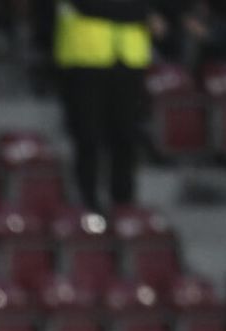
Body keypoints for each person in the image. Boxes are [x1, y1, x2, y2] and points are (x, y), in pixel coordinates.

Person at [53, 0, 153, 213]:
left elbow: (144, 8)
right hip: (85, 57)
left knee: (127, 135)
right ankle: (87, 203)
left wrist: (131, 11)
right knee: (88, 136)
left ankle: (124, 204)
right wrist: (130, 11)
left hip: (129, 59)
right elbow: (89, 6)